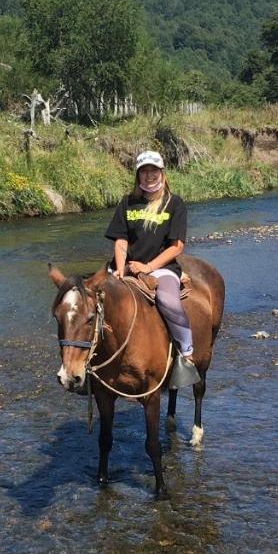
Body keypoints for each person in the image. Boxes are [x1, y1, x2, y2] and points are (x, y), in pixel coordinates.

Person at [104, 150, 200, 387]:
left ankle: (186, 351)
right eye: (144, 172)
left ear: (162, 173)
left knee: (169, 302)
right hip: (126, 266)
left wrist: (147, 267)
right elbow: (121, 240)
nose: (149, 176)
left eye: (153, 171)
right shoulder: (127, 202)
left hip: (161, 267)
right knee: (88, 301)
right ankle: (91, 362)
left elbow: (176, 247)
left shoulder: (174, 203)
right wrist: (119, 269)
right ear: (138, 175)